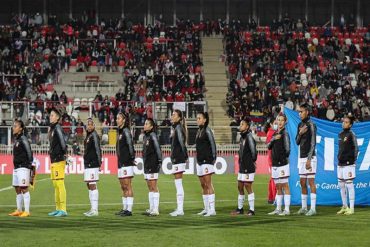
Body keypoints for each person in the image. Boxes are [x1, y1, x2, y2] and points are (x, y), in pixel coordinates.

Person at [231, 117, 257, 216]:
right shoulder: (242, 137)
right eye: (240, 124)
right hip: (242, 166)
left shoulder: (249, 137)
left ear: (247, 126)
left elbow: (254, 151)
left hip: (248, 165)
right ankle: (240, 209)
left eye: (242, 124)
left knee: (248, 186)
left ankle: (252, 210)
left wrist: (252, 161)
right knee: (240, 186)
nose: (240, 126)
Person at [8, 119, 34, 217]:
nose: (13, 128)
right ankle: (19, 210)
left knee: (24, 188)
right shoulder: (17, 139)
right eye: (13, 126)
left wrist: (30, 166)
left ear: (21, 129)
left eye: (15, 126)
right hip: (16, 168)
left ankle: (26, 211)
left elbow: (29, 152)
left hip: (23, 167)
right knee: (17, 189)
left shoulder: (23, 139)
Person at [295, 103, 317, 216]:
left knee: (311, 182)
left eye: (302, 111)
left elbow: (313, 143)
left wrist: (309, 159)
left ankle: (313, 209)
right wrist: (300, 133)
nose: (300, 113)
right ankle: (304, 207)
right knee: (302, 182)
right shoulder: (300, 124)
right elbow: (297, 141)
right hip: (301, 157)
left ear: (307, 112)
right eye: (299, 112)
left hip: (310, 157)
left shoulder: (311, 125)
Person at [267, 114, 291, 216]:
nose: (279, 122)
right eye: (278, 120)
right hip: (275, 164)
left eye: (282, 120)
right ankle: (278, 209)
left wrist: (282, 158)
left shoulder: (285, 133)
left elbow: (288, 150)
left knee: (285, 186)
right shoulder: (274, 134)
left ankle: (287, 209)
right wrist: (274, 139)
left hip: (282, 164)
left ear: (285, 122)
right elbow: (268, 146)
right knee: (278, 187)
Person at [195, 112, 217, 217]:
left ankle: (212, 210)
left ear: (204, 120)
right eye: (197, 118)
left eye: (199, 118)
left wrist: (213, 159)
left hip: (207, 161)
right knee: (203, 185)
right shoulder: (199, 131)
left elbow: (213, 144)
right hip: (200, 161)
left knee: (208, 184)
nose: (197, 120)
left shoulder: (207, 130)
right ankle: (206, 208)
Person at [48, 107, 68, 217]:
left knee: (60, 184)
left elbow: (62, 142)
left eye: (52, 115)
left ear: (57, 118)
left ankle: (63, 209)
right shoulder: (52, 128)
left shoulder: (57, 128)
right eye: (50, 115)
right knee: (56, 184)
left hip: (59, 159)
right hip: (54, 160)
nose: (50, 117)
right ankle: (57, 208)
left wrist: (65, 154)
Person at [115, 112, 136, 217]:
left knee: (127, 185)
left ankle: (129, 209)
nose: (117, 120)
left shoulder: (126, 131)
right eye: (116, 118)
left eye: (119, 118)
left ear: (123, 120)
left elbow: (130, 145)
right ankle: (124, 208)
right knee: (123, 186)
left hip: (127, 162)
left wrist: (132, 158)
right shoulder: (119, 132)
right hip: (120, 163)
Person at [337, 115, 358, 215]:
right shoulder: (340, 134)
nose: (343, 123)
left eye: (346, 122)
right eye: (343, 121)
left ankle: (352, 208)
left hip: (349, 164)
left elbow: (356, 148)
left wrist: (352, 160)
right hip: (340, 163)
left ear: (350, 125)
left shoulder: (351, 134)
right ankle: (345, 206)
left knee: (349, 185)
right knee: (341, 185)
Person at [169, 109, 188, 216]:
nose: (172, 116)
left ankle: (180, 209)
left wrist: (185, 155)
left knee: (178, 184)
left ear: (179, 118)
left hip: (179, 158)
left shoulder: (178, 128)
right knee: (177, 183)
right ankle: (179, 208)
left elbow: (181, 142)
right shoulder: (176, 127)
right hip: (177, 158)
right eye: (172, 114)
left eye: (174, 115)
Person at [143, 118, 162, 216]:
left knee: (153, 186)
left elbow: (158, 149)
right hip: (147, 165)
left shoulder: (153, 136)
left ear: (151, 126)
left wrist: (159, 161)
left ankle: (156, 209)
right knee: (150, 186)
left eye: (147, 124)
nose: (144, 125)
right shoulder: (145, 136)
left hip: (153, 164)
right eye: (144, 123)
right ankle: (151, 208)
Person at [83, 118, 102, 217]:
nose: (89, 126)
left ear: (94, 126)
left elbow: (98, 149)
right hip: (88, 164)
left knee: (93, 185)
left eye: (91, 124)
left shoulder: (94, 135)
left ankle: (95, 210)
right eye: (88, 124)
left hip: (93, 163)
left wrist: (99, 163)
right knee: (89, 185)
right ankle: (92, 208)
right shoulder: (89, 135)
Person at [264, 118, 277, 204]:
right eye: (276, 122)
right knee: (274, 179)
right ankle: (274, 197)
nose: (277, 123)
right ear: (271, 124)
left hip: (271, 159)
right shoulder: (272, 133)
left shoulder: (270, 132)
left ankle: (271, 197)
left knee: (272, 179)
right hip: (273, 159)